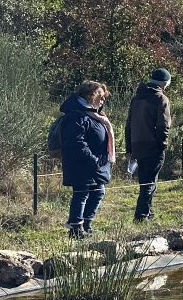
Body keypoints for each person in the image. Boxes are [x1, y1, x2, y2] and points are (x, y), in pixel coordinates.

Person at [60, 80, 114, 238]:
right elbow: (77, 142)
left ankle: (87, 224)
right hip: (82, 163)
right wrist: (92, 160)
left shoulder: (94, 114)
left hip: (97, 163)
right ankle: (76, 229)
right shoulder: (76, 115)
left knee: (98, 192)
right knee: (82, 194)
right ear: (90, 95)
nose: (102, 100)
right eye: (100, 96)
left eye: (104, 98)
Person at [125, 68, 172, 221]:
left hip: (137, 144)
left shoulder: (136, 98)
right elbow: (163, 125)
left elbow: (128, 124)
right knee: (150, 183)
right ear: (165, 84)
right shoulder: (161, 99)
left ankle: (149, 213)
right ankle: (141, 216)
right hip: (153, 145)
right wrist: (162, 144)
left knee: (145, 181)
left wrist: (129, 148)